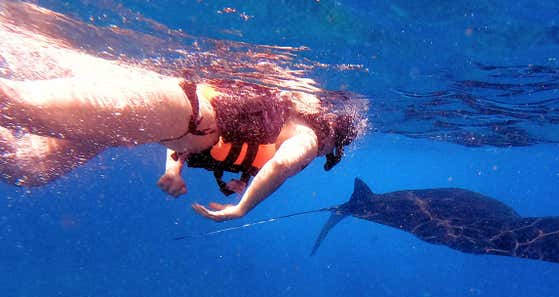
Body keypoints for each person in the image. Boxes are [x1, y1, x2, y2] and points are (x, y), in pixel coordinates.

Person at [0, 49, 362, 222]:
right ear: (333, 139)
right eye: (331, 153)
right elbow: (282, 165)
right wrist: (243, 206)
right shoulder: (309, 137)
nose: (321, 157)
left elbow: (180, 129)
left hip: (157, 120)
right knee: (14, 105)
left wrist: (174, 170)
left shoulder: (280, 120)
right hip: (166, 111)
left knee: (31, 168)